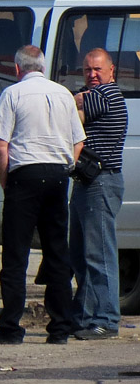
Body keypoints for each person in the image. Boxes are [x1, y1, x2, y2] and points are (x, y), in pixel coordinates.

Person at [0, 45, 85, 345]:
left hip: (24, 176)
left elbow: (1, 144)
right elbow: (79, 142)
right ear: (43, 66)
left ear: (17, 69)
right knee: (56, 253)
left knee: (15, 255)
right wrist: (66, 167)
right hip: (57, 176)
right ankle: (60, 328)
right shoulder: (64, 94)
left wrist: (7, 181)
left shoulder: (13, 94)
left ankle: (11, 328)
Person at [69, 48, 128, 340]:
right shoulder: (93, 96)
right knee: (79, 255)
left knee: (99, 255)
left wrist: (76, 99)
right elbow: (73, 107)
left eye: (98, 70)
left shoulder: (108, 96)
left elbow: (68, 110)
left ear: (111, 72)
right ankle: (83, 316)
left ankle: (106, 319)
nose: (92, 75)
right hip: (85, 182)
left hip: (101, 183)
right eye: (87, 70)